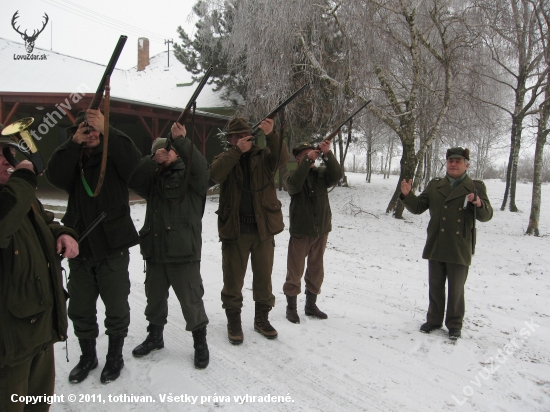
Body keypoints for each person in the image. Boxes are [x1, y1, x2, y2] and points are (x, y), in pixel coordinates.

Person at [46, 109, 141, 383]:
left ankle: (115, 356)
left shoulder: (116, 154)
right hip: (80, 244)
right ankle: (88, 356)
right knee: (81, 308)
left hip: (112, 244)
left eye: (96, 130)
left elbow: (134, 165)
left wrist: (109, 129)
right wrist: (72, 143)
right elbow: (54, 175)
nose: (92, 135)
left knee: (116, 306)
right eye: (86, 130)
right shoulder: (71, 158)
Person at [0, 135, 79, 411]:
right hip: (8, 348)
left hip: (39, 330)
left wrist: (63, 233)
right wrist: (23, 176)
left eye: (6, 153)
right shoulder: (15, 193)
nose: (6, 161)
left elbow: (44, 221)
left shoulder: (18, 193)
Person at [128, 123, 210, 368]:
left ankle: (200, 342)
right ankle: (155, 336)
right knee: (154, 299)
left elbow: (202, 169)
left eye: (169, 150)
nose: (166, 153)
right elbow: (133, 178)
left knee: (191, 301)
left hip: (183, 252)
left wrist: (182, 142)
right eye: (161, 151)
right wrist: (152, 160)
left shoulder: (191, 178)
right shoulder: (151, 180)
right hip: (155, 251)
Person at [400, 147, 493, 340]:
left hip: (460, 245)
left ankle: (454, 325)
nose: (454, 164)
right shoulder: (436, 185)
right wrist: (408, 195)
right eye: (451, 161)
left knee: (456, 289)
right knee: (435, 285)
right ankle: (434, 320)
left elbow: (486, 215)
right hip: (437, 242)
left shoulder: (475, 187)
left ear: (466, 165)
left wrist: (478, 203)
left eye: (458, 161)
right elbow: (418, 208)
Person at [210, 117, 289, 344]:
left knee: (263, 279)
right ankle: (234, 321)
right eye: (236, 136)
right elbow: (215, 174)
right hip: (236, 230)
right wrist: (236, 152)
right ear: (230, 140)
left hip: (263, 229)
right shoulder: (225, 158)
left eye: (245, 134)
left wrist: (272, 134)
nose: (241, 138)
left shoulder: (263, 156)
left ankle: (261, 319)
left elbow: (282, 159)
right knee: (233, 280)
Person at [283, 140, 341, 323]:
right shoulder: (292, 175)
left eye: (313, 154)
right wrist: (307, 162)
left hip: (321, 231)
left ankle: (310, 305)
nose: (312, 157)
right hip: (301, 231)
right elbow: (293, 185)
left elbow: (337, 175)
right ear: (299, 158)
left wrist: (328, 155)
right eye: (307, 155)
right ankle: (291, 307)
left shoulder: (321, 175)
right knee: (295, 272)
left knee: (316, 270)